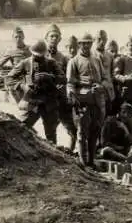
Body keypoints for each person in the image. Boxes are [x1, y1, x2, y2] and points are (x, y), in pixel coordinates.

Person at [6, 39, 64, 144]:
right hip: (32, 101)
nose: (38, 57)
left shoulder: (51, 63)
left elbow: (63, 79)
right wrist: (23, 86)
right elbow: (9, 78)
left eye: (40, 55)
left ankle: (53, 156)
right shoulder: (25, 63)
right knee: (22, 127)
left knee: (51, 133)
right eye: (35, 55)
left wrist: (49, 77)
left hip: (49, 102)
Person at [67, 33, 108, 168]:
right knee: (82, 132)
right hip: (82, 101)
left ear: (92, 44)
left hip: (97, 100)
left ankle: (91, 160)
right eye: (83, 43)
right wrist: (73, 96)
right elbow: (70, 83)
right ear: (79, 44)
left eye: (88, 43)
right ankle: (83, 162)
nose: (86, 46)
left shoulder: (97, 60)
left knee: (95, 131)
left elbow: (105, 78)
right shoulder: (73, 62)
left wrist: (101, 86)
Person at [45, 24, 78, 152]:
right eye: (51, 36)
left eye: (56, 36)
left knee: (70, 126)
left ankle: (69, 151)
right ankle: (49, 150)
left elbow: (67, 78)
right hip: (43, 97)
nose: (54, 38)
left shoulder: (63, 58)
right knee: (48, 127)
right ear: (46, 37)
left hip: (59, 96)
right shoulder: (39, 55)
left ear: (59, 40)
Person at [0, 27, 31, 103]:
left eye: (20, 37)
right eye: (16, 37)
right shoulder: (10, 51)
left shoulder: (30, 49)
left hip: (29, 77)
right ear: (13, 39)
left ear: (23, 37)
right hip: (18, 78)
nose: (18, 39)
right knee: (22, 103)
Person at [92, 30, 116, 117]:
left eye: (104, 39)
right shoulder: (91, 55)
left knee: (109, 117)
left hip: (109, 92)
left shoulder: (110, 55)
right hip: (97, 92)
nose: (102, 42)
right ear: (94, 39)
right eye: (99, 39)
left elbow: (113, 74)